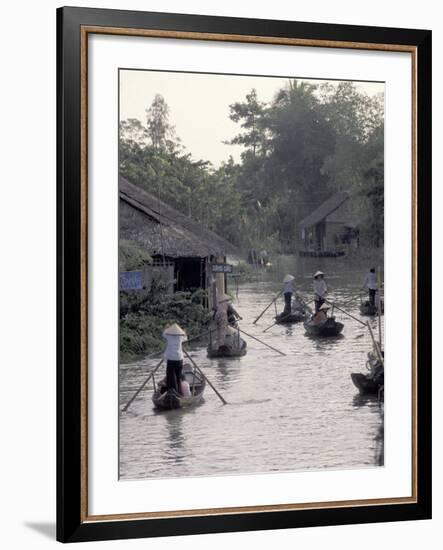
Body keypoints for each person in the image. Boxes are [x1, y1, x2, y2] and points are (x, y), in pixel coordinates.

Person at [162, 323, 187, 395]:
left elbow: (164, 333)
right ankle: (179, 394)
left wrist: (167, 328)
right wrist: (183, 331)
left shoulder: (168, 335)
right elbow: (185, 337)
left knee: (171, 378)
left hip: (171, 360)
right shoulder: (181, 337)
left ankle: (173, 393)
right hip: (179, 359)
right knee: (178, 378)